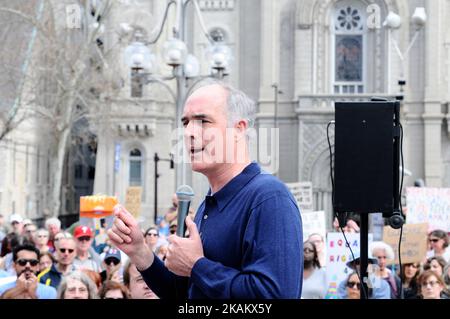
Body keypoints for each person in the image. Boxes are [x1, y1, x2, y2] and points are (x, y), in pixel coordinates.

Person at [108, 81, 303, 299]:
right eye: (185, 122)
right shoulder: (206, 207)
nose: (189, 132)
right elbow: (187, 295)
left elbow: (274, 296)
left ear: (238, 130)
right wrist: (140, 252)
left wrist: (197, 265)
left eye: (203, 121)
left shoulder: (269, 197)